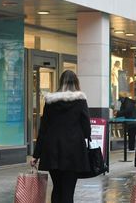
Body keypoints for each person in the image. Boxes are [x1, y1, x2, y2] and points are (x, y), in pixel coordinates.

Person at [31, 70, 91, 203]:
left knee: (57, 188)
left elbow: (44, 129)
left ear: (60, 82)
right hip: (74, 150)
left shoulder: (50, 101)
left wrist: (36, 154)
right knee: (68, 190)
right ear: (76, 82)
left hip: (52, 149)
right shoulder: (80, 100)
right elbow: (87, 129)